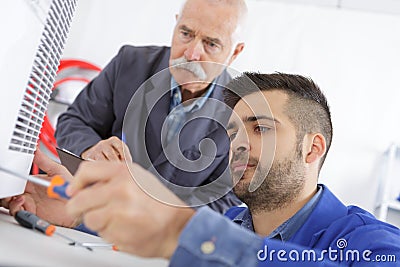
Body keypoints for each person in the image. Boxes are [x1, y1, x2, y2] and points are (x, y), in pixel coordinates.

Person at [6, 72, 399, 266]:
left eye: (260, 127)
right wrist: (77, 213)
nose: (238, 143)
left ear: (312, 149)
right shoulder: (234, 221)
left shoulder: (366, 240)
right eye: (232, 130)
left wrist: (180, 231)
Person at [54, 0, 248, 213]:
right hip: (94, 213)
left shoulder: (241, 114)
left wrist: (169, 222)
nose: (191, 53)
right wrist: (91, 148)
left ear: (235, 53)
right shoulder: (129, 63)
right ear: (176, 25)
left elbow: (225, 196)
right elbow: (73, 121)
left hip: (163, 240)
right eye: (186, 33)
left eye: (211, 44)